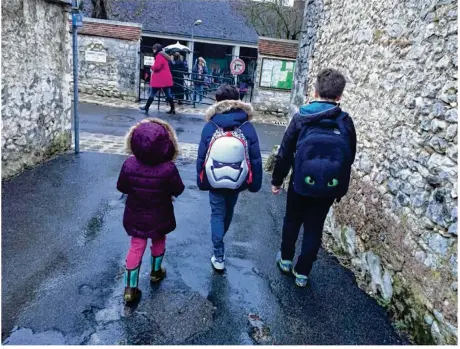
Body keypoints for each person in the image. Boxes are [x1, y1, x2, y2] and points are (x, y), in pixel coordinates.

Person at [271, 68, 357, 287]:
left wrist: (277, 180)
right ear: (340, 96)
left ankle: (286, 260)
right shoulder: (345, 121)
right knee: (314, 227)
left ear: (315, 91)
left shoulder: (302, 117)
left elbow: (285, 152)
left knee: (292, 221)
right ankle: (303, 273)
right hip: (328, 186)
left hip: (300, 183)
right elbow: (350, 155)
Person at [117, 118, 185, 302]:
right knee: (159, 239)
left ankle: (130, 288)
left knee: (136, 246)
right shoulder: (168, 168)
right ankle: (156, 271)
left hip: (135, 213)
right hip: (160, 213)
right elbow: (178, 189)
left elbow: (122, 187)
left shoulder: (129, 164)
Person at [196, 85, 262, 271]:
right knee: (229, 211)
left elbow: (201, 156)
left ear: (217, 101)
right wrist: (255, 184)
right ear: (237, 101)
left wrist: (201, 181)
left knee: (217, 213)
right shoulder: (247, 126)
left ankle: (218, 255)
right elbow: (255, 158)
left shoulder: (211, 125)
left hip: (214, 178)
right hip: (238, 180)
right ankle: (220, 237)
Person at [140, 43, 176, 115]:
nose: (153, 50)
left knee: (152, 93)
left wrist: (151, 67)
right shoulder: (163, 55)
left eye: (154, 49)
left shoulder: (159, 56)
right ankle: (172, 108)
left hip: (160, 79)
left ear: (156, 49)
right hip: (165, 78)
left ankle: (146, 107)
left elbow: (157, 67)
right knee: (168, 94)